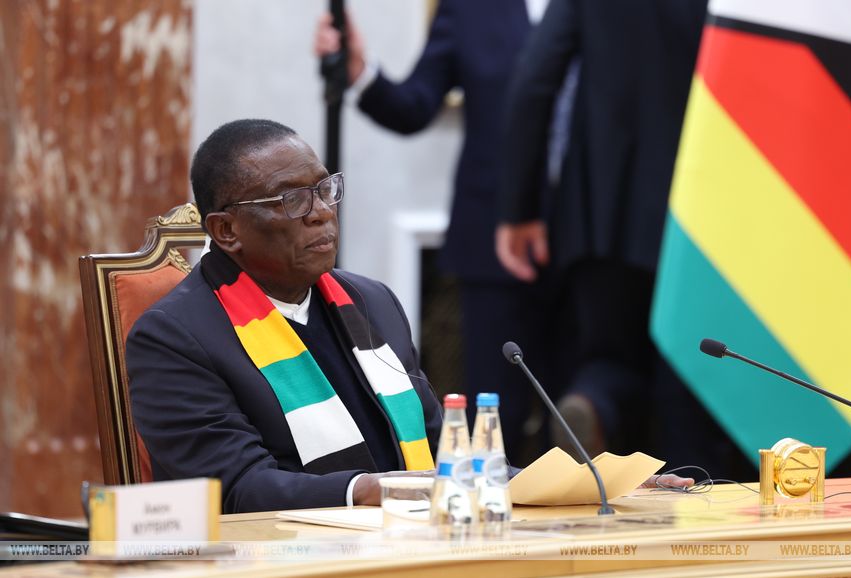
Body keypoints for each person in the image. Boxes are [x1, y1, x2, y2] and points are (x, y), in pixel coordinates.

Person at [126, 120, 441, 514]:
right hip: (279, 547)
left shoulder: (371, 302)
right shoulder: (175, 337)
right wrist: (364, 490)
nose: (322, 212)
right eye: (293, 200)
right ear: (226, 230)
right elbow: (234, 488)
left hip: (410, 535)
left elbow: (437, 448)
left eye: (324, 190)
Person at [314, 0, 567, 462]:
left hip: (588, 239)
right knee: (494, 413)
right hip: (491, 236)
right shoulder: (472, 8)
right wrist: (360, 72)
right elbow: (413, 106)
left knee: (580, 409)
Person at [496, 0, 709, 459]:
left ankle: (594, 402)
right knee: (689, 380)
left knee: (610, 356)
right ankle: (695, 493)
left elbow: (535, 78)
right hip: (701, 215)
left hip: (602, 213)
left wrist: (520, 209)